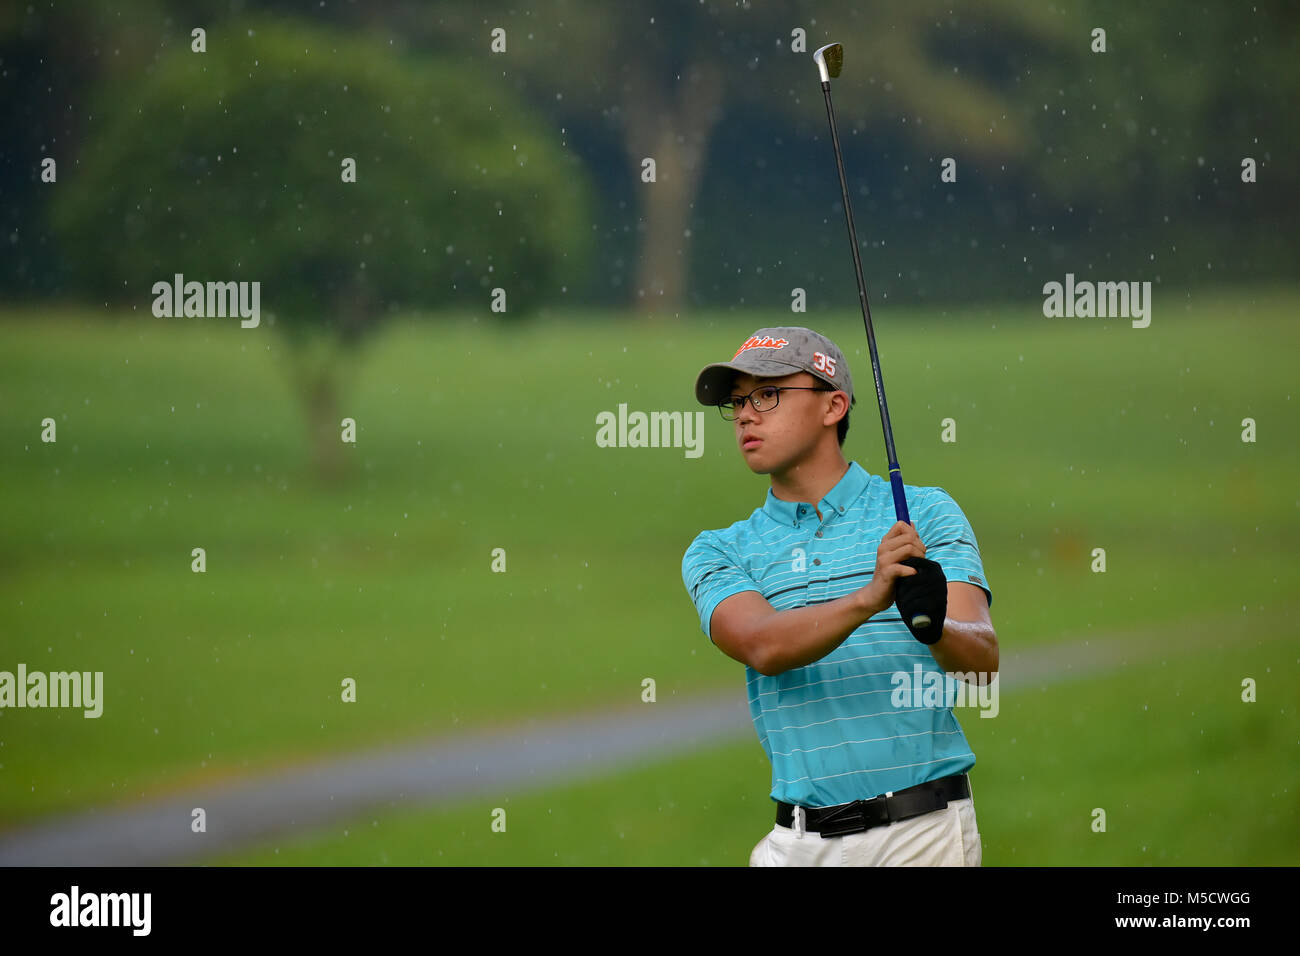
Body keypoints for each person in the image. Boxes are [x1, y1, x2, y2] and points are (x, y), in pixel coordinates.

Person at [681, 326, 998, 866]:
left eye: (767, 394)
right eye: (737, 402)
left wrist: (933, 622)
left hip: (921, 833)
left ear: (833, 406)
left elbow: (982, 661)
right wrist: (869, 599)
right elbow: (762, 646)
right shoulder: (719, 550)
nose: (744, 416)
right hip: (797, 844)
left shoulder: (922, 514)